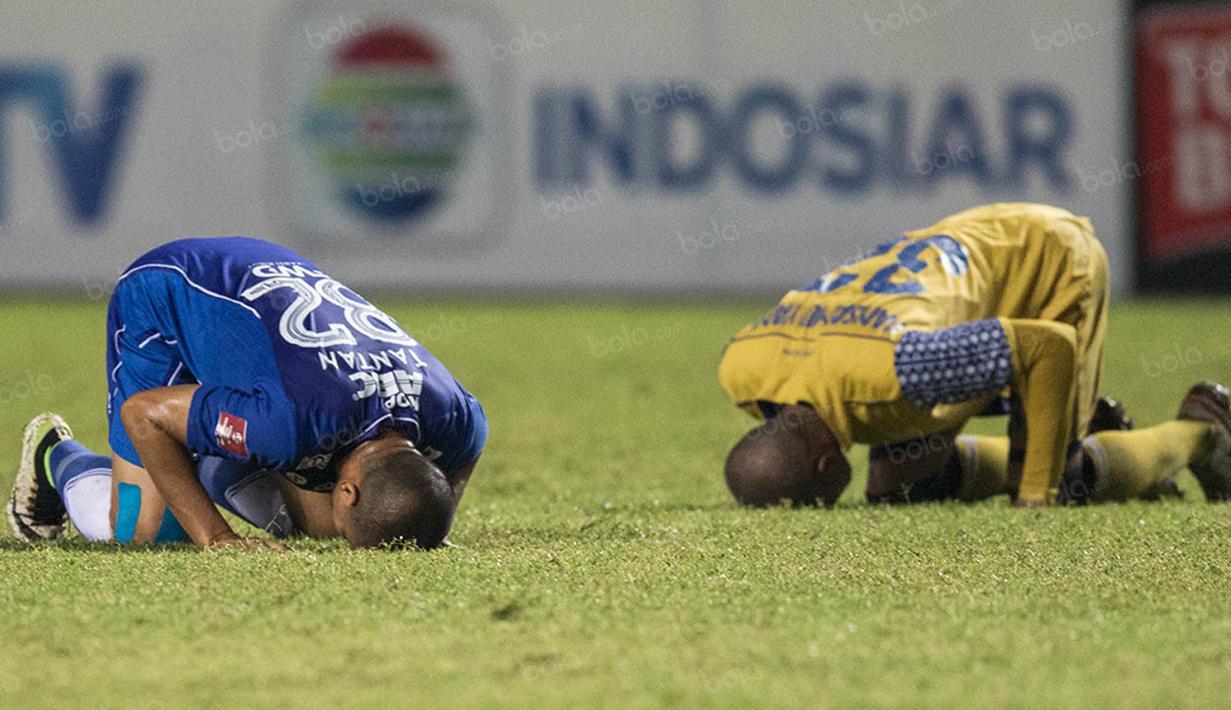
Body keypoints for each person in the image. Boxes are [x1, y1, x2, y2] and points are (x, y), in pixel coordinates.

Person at [718, 203, 1231, 508]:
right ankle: (1096, 434)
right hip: (962, 262)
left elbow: (1048, 346)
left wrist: (1034, 494)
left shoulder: (904, 370)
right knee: (908, 491)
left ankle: (1202, 434)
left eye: (819, 504)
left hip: (1043, 255)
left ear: (830, 466)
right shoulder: (742, 368)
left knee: (1066, 479)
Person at [7, 237, 487, 549]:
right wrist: (215, 536)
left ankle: (222, 453)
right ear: (348, 489)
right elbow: (144, 414)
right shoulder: (290, 425)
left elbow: (462, 456)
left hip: (266, 270)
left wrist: (429, 521)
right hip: (170, 290)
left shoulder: (456, 419)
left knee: (321, 524)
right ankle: (59, 457)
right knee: (150, 531)